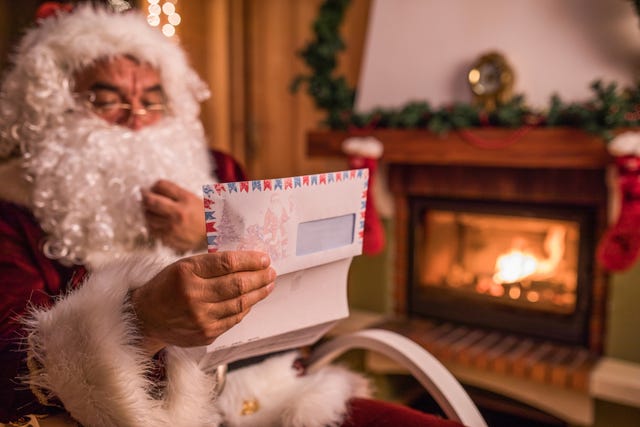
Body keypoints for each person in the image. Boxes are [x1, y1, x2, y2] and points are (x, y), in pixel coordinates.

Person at [0, 3, 463, 426]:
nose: (137, 118)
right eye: (107, 101)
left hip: (274, 400)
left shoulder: (218, 169)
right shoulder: (11, 210)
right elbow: (10, 372)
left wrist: (206, 234)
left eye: (152, 100)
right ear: (57, 108)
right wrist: (140, 321)